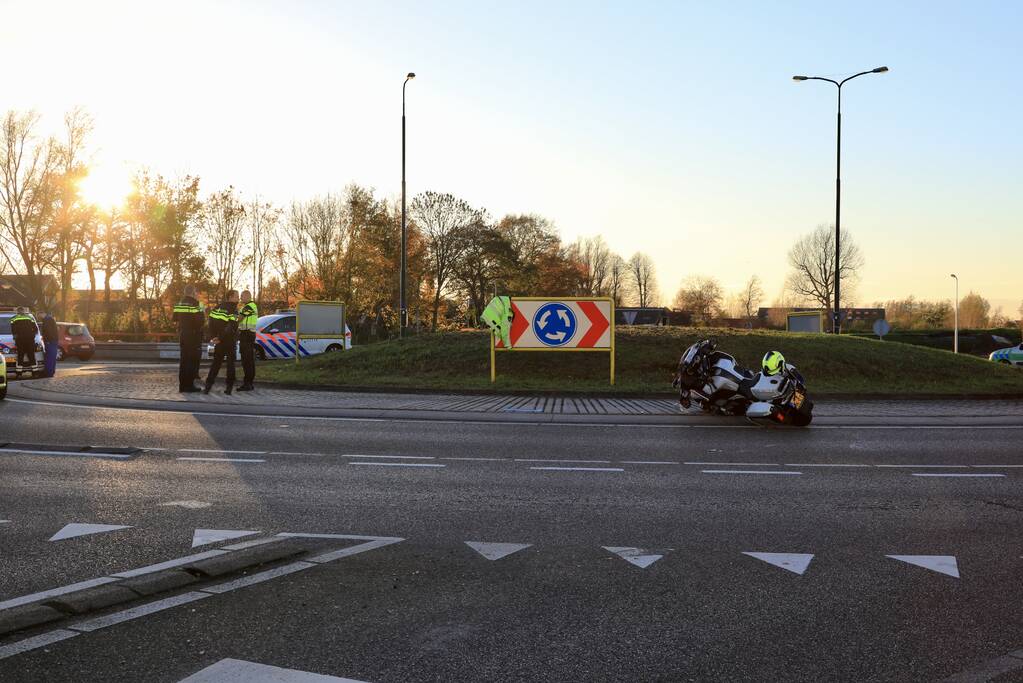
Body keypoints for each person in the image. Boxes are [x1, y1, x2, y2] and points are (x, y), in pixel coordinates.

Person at [204, 290, 240, 395]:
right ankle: (229, 388)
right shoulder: (233, 309)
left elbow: (210, 322)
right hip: (228, 340)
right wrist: (220, 337)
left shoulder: (217, 308)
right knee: (230, 365)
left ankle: (207, 386)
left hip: (219, 341)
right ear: (230, 297)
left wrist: (214, 337)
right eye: (236, 296)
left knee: (216, 364)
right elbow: (232, 326)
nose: (238, 298)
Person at [172, 285, 205, 393]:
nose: (197, 294)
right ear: (192, 293)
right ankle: (189, 385)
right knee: (191, 360)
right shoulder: (196, 304)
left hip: (183, 334)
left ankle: (182, 385)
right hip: (193, 335)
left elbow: (175, 319)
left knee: (184, 360)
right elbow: (200, 321)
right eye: (196, 292)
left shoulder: (179, 303)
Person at [236, 290, 258, 391]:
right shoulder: (250, 306)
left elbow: (240, 318)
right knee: (249, 360)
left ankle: (247, 384)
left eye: (242, 296)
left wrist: (233, 322)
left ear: (247, 296)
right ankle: (250, 383)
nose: (240, 298)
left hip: (247, 334)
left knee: (246, 360)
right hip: (248, 334)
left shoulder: (249, 306)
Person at [40, 313, 59, 378]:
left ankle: (48, 373)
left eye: (39, 314)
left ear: (43, 313)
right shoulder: (50, 319)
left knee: (49, 357)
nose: (39, 316)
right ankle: (51, 372)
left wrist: (47, 340)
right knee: (52, 357)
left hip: (50, 341)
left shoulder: (47, 320)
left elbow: (48, 331)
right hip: (53, 340)